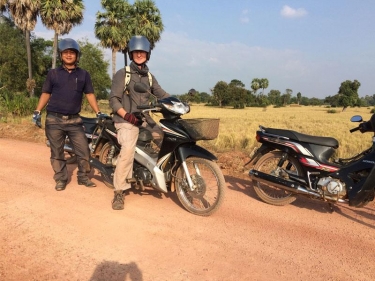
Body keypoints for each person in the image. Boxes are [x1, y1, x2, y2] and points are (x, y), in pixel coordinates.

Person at [32, 38, 102, 191]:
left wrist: (99, 112)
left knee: (84, 150)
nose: (69, 55)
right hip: (54, 119)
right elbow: (46, 93)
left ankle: (83, 177)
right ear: (61, 55)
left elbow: (89, 94)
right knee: (57, 152)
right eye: (66, 53)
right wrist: (37, 111)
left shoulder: (84, 74)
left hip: (75, 120)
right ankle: (61, 179)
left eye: (72, 53)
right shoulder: (53, 73)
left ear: (77, 55)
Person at [109, 35, 169, 210]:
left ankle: (156, 173)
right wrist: (126, 115)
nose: (139, 54)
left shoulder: (150, 77)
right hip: (125, 120)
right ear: (131, 53)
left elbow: (162, 94)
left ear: (148, 54)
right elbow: (114, 99)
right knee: (127, 150)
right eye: (136, 52)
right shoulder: (123, 74)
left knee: (163, 137)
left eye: (142, 51)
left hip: (144, 119)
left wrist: (177, 103)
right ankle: (119, 192)